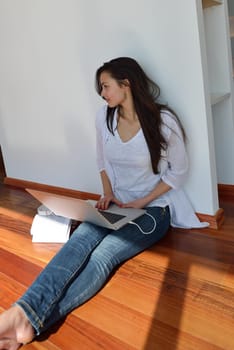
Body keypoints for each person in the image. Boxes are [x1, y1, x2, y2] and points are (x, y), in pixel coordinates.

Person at [0, 57, 208, 349]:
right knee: (78, 242)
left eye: (106, 86)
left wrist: (142, 200)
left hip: (153, 210)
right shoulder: (105, 117)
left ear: (127, 84)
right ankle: (21, 314)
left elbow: (179, 172)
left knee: (103, 256)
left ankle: (28, 321)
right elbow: (101, 161)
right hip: (116, 204)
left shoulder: (163, 121)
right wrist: (107, 193)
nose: (102, 93)